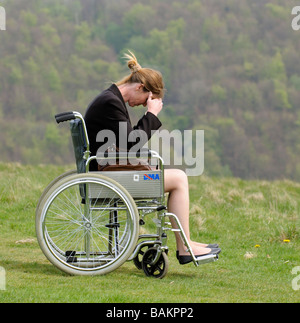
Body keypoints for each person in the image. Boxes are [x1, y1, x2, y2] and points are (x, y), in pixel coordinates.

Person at [84, 51, 220, 264]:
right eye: (146, 99)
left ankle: (187, 243)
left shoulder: (111, 98)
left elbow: (128, 142)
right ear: (140, 87)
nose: (141, 105)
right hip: (108, 176)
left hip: (108, 170)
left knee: (176, 176)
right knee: (179, 179)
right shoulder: (111, 102)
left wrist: (148, 116)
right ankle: (184, 247)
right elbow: (132, 144)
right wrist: (152, 114)